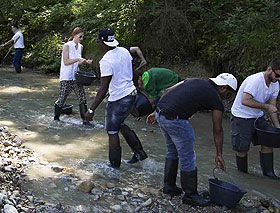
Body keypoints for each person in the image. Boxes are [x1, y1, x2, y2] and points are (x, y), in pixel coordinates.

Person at [147, 73, 238, 206]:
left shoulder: (193, 80)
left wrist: (156, 113)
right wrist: (219, 154)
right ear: (224, 88)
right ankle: (190, 195)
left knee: (172, 151)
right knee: (188, 157)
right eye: (229, 94)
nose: (227, 97)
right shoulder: (216, 99)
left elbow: (167, 91)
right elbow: (218, 130)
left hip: (161, 113)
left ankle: (169, 186)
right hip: (176, 120)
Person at [85, 28, 147, 167]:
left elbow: (103, 88)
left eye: (97, 41)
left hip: (118, 99)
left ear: (101, 42)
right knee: (120, 124)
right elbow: (132, 73)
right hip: (131, 95)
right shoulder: (124, 51)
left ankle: (114, 167)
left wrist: (91, 110)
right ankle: (140, 154)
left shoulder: (106, 61)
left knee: (112, 131)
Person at [230, 58, 280, 179]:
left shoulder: (275, 84)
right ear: (269, 69)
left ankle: (269, 174)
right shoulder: (255, 80)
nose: (279, 79)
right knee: (242, 149)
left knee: (268, 142)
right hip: (241, 117)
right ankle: (243, 176)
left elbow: (272, 108)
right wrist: (266, 106)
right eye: (277, 75)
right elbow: (245, 100)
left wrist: (277, 128)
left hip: (257, 117)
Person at [54, 27, 93, 125]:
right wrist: (78, 59)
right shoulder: (67, 45)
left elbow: (77, 62)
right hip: (66, 77)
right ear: (74, 36)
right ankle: (56, 119)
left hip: (76, 76)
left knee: (82, 98)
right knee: (62, 98)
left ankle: (85, 121)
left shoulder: (80, 46)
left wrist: (84, 62)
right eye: (80, 36)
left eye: (82, 37)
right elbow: (66, 62)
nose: (81, 38)